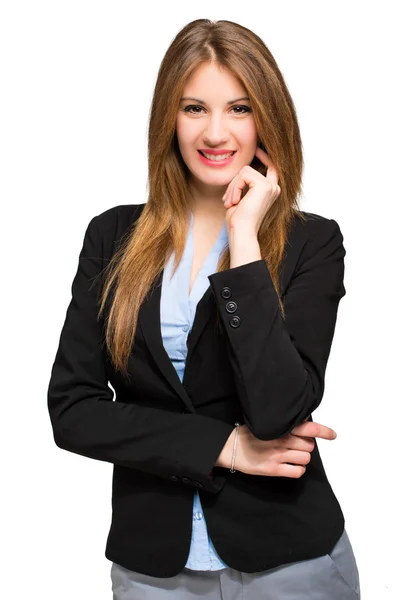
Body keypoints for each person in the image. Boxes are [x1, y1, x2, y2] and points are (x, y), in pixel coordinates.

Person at [47, 18, 361, 600]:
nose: (215, 132)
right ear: (169, 116)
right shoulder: (112, 236)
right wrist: (225, 448)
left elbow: (279, 409)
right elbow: (73, 410)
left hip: (289, 562)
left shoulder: (311, 242)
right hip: (153, 569)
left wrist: (245, 244)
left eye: (238, 108)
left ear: (267, 116)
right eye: (195, 108)